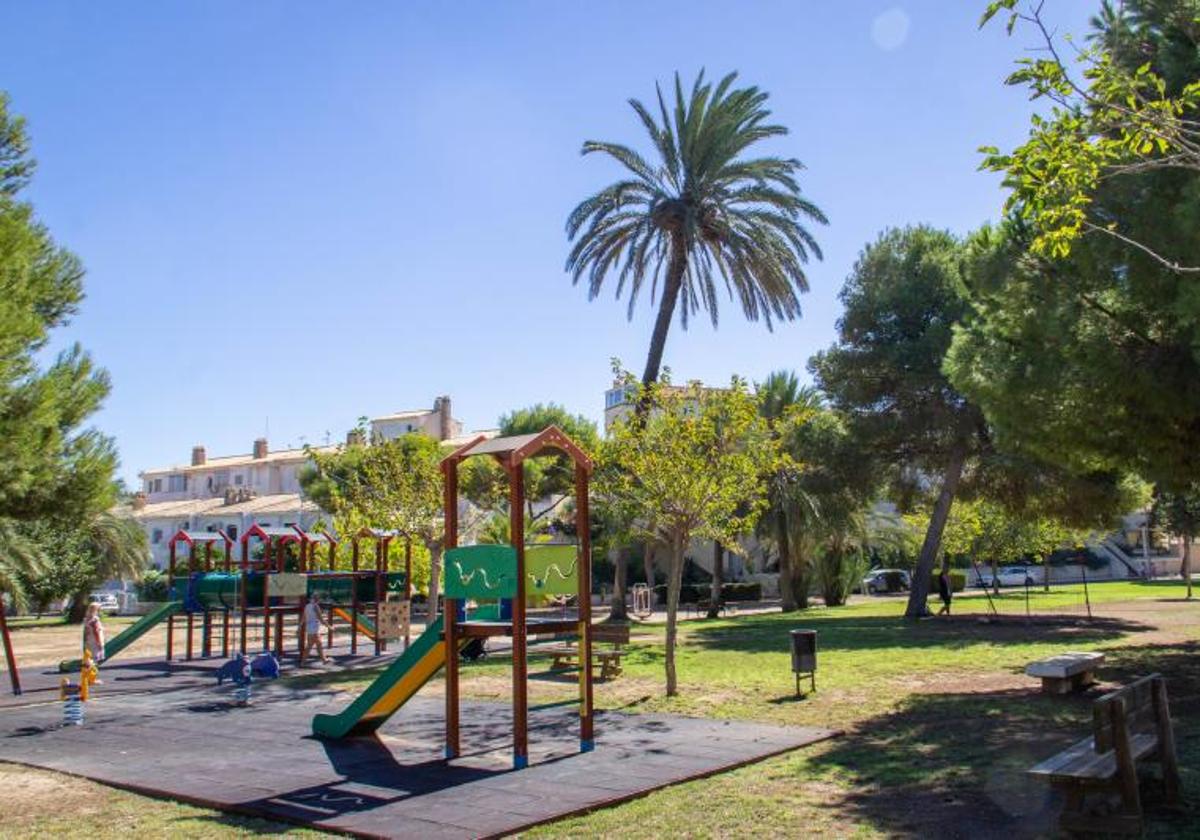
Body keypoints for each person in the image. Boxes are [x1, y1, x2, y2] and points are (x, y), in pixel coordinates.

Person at [302, 594, 331, 664]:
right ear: (317, 599)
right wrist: (329, 626)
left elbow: (304, 617)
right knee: (310, 645)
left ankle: (324, 660)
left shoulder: (307, 606)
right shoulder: (316, 606)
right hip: (314, 627)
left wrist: (300, 626)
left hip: (309, 626)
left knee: (319, 644)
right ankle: (302, 662)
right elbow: (321, 619)